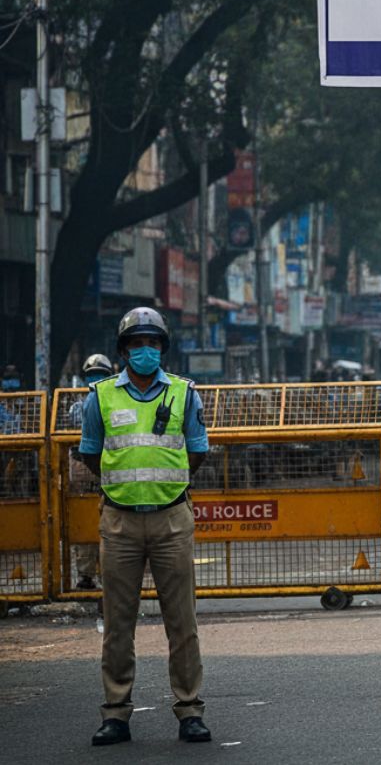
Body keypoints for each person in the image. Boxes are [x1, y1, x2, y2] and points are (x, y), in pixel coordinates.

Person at [78, 307, 211, 745]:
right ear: (123, 350)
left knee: (183, 622)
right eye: (137, 344)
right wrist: (127, 490)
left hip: (173, 519)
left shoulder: (184, 393)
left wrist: (162, 486)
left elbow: (197, 452)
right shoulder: (99, 397)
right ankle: (115, 713)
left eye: (153, 343)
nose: (145, 351)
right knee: (118, 623)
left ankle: (189, 710)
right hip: (119, 522)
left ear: (163, 349)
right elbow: (91, 455)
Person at [70, 354, 116, 590]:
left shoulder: (76, 406)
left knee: (86, 518)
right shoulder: (113, 402)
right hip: (103, 466)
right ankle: (106, 573)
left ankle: (87, 574)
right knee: (104, 521)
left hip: (83, 466)